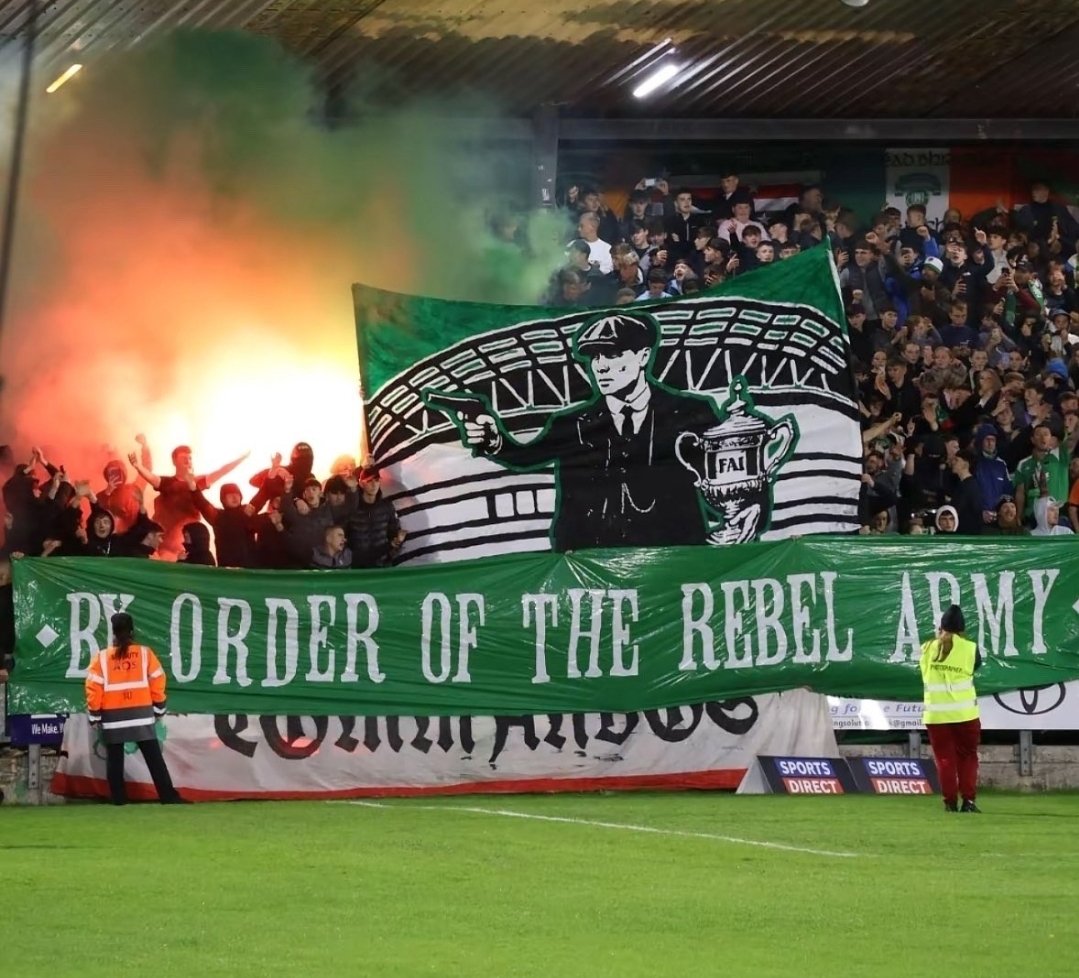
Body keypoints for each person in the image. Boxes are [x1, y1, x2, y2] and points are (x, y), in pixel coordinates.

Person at [457, 311, 721, 550]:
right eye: (595, 356)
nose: (601, 366)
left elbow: (722, 476)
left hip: (673, 558)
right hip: (589, 562)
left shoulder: (689, 413)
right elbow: (526, 457)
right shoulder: (572, 422)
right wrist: (495, 441)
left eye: (613, 354)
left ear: (643, 356)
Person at [84, 613, 187, 805]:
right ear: (132, 631)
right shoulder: (145, 654)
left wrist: (95, 715)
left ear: (113, 632)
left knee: (114, 759)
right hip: (141, 714)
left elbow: (93, 687)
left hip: (113, 717)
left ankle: (119, 799)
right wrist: (159, 707)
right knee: (154, 758)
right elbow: (158, 679)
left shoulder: (102, 658)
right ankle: (168, 796)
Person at [919, 604, 982, 814]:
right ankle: (969, 802)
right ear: (962, 629)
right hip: (965, 714)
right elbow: (974, 667)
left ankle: (949, 803)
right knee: (968, 757)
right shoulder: (970, 648)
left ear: (941, 627)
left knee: (944, 760)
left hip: (936, 715)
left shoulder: (926, 648)